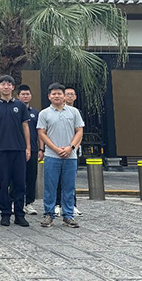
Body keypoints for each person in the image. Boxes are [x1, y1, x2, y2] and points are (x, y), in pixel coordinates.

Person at [38, 83, 85, 228]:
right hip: (52, 155)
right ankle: (49, 214)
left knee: (69, 187)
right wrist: (55, 149)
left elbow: (79, 131)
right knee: (50, 186)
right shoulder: (44, 113)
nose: (56, 96)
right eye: (54, 94)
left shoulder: (74, 112)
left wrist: (71, 147)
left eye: (59, 93)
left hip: (70, 156)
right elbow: (41, 133)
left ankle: (68, 215)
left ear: (64, 96)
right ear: (49, 96)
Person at [0, 75, 31, 227]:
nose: (6, 87)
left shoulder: (20, 106)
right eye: (3, 84)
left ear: (13, 87)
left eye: (9, 84)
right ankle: (5, 213)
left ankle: (19, 214)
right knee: (3, 183)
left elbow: (25, 127)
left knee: (19, 183)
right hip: (1, 150)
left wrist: (28, 147)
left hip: (19, 149)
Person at [56, 86, 83, 217]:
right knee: (57, 179)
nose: (69, 96)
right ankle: (57, 204)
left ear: (75, 97)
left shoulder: (77, 112)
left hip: (72, 150)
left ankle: (72, 205)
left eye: (72, 94)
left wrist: (74, 148)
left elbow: (80, 131)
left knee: (70, 180)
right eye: (67, 94)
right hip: (58, 150)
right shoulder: (55, 111)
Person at [17, 85, 43, 216]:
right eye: (23, 94)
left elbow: (40, 132)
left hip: (33, 149)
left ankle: (29, 203)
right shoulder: (14, 110)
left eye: (27, 94)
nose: (25, 96)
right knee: (16, 177)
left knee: (31, 177)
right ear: (18, 96)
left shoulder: (36, 113)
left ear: (31, 96)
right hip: (17, 149)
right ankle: (16, 202)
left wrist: (41, 148)